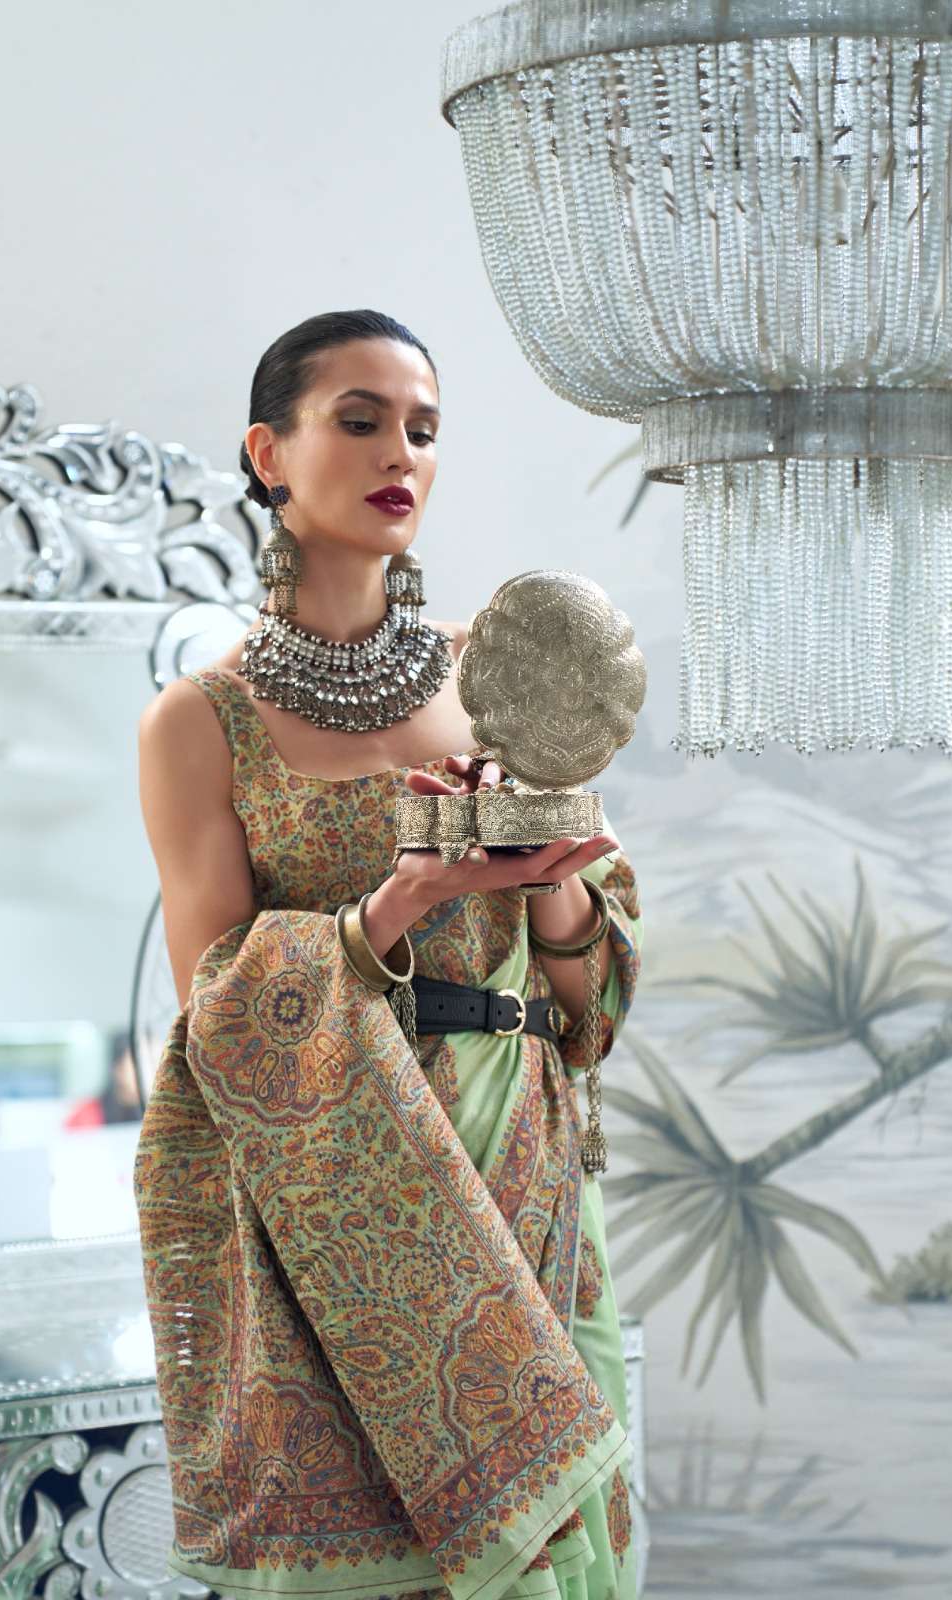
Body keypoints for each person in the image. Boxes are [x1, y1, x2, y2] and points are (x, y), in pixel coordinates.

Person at [133, 310, 644, 1600]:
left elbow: (587, 1012)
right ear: (269, 453)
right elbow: (218, 1016)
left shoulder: (502, 676)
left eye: (422, 429)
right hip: (344, 1200)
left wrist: (553, 885)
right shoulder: (200, 722)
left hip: (524, 1164)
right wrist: (399, 904)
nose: (398, 453)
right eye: (358, 421)